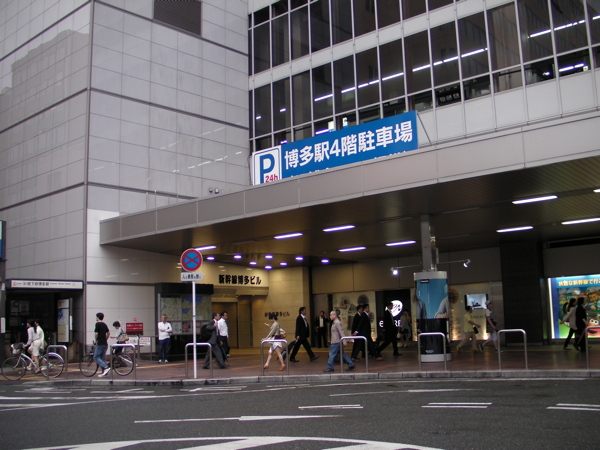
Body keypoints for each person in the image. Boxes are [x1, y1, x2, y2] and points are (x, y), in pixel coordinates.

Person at [94, 312, 111, 377]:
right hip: (105, 343)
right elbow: (108, 333)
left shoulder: (97, 324)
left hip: (100, 343)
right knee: (102, 357)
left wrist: (96, 340)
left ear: (98, 317)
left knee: (96, 357)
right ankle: (104, 373)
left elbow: (96, 333)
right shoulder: (104, 324)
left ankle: (106, 367)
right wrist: (106, 339)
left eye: (96, 317)